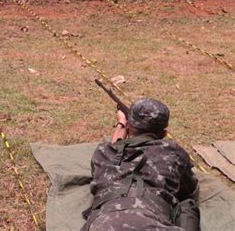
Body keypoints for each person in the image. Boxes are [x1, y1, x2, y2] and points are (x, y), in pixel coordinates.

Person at [82, 98, 200, 231]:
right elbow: (190, 190)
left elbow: (115, 146)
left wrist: (121, 123)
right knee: (187, 206)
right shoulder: (174, 152)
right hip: (152, 221)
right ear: (164, 133)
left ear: (128, 126)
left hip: (103, 224)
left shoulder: (103, 152)